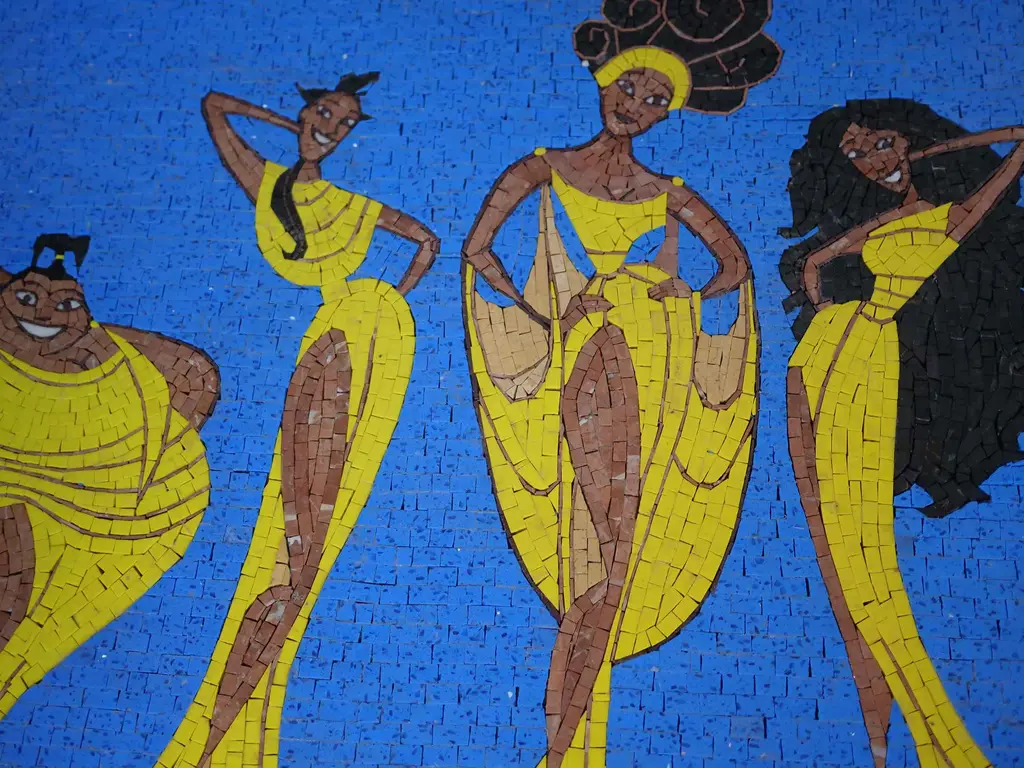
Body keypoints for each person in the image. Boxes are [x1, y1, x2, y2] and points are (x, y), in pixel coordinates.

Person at [462, 2, 781, 765]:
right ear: (604, 81)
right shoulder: (542, 169)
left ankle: (569, 741)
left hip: (649, 364)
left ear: (667, 112)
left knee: (617, 544)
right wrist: (543, 313)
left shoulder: (667, 190)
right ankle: (569, 739)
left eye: (654, 99)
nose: (635, 105)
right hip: (579, 358)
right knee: (587, 540)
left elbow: (734, 265)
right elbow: (479, 250)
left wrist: (680, 298)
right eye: (629, 88)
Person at [159, 73, 440, 767]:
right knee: (288, 512)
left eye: (343, 124)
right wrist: (289, 128)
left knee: (310, 513)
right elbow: (215, 107)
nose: (330, 128)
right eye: (323, 113)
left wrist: (389, 300)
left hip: (359, 326)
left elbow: (425, 241)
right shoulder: (269, 184)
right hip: (323, 333)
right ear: (305, 109)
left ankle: (234, 720)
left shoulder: (350, 204)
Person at [782, 98, 1024, 768]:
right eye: (856, 153)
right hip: (838, 350)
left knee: (868, 552)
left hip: (878, 360)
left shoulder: (956, 214)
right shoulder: (885, 219)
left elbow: (1015, 151)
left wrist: (954, 146)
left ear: (912, 140)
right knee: (837, 535)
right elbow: (816, 261)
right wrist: (825, 308)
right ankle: (894, 725)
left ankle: (934, 736)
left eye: (882, 143)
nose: (872, 161)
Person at [0, 234, 218, 720]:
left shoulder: (115, 370)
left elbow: (193, 379)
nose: (45, 314)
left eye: (66, 304)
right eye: (28, 297)